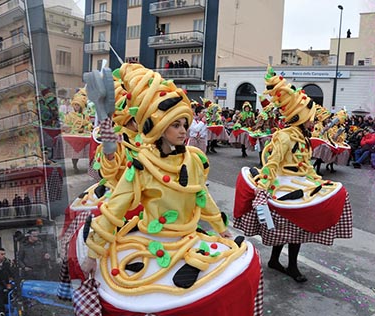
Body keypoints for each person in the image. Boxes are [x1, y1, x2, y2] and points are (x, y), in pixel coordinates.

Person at [78, 63, 261, 315]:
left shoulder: (193, 159)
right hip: (155, 242)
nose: (183, 130)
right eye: (176, 125)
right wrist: (93, 254)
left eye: (184, 124)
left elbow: (202, 197)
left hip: (189, 239)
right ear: (158, 127)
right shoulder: (142, 166)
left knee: (240, 267)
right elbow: (114, 210)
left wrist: (222, 229)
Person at [234, 67, 353, 284]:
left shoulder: (303, 137)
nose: (313, 122)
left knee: (292, 229)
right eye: (310, 119)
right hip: (284, 187)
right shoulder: (285, 136)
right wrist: (264, 185)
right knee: (290, 228)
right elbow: (272, 162)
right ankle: (285, 264)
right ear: (299, 117)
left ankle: (282, 262)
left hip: (300, 184)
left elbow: (305, 166)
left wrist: (317, 180)